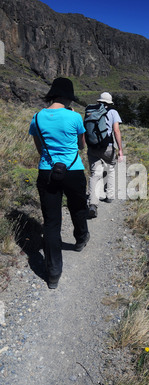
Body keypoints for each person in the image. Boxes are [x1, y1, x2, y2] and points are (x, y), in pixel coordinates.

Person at [29, 77, 90, 289]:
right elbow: (82, 146)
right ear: (67, 97)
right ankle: (81, 238)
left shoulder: (37, 118)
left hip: (47, 171)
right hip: (73, 170)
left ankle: (53, 273)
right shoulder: (74, 117)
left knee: (51, 222)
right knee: (78, 207)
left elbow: (39, 148)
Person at [86, 92, 123, 218]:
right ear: (109, 102)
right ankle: (109, 196)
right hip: (108, 147)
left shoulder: (90, 111)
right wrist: (120, 149)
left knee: (95, 174)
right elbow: (116, 130)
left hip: (93, 147)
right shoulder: (113, 112)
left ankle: (93, 203)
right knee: (111, 168)